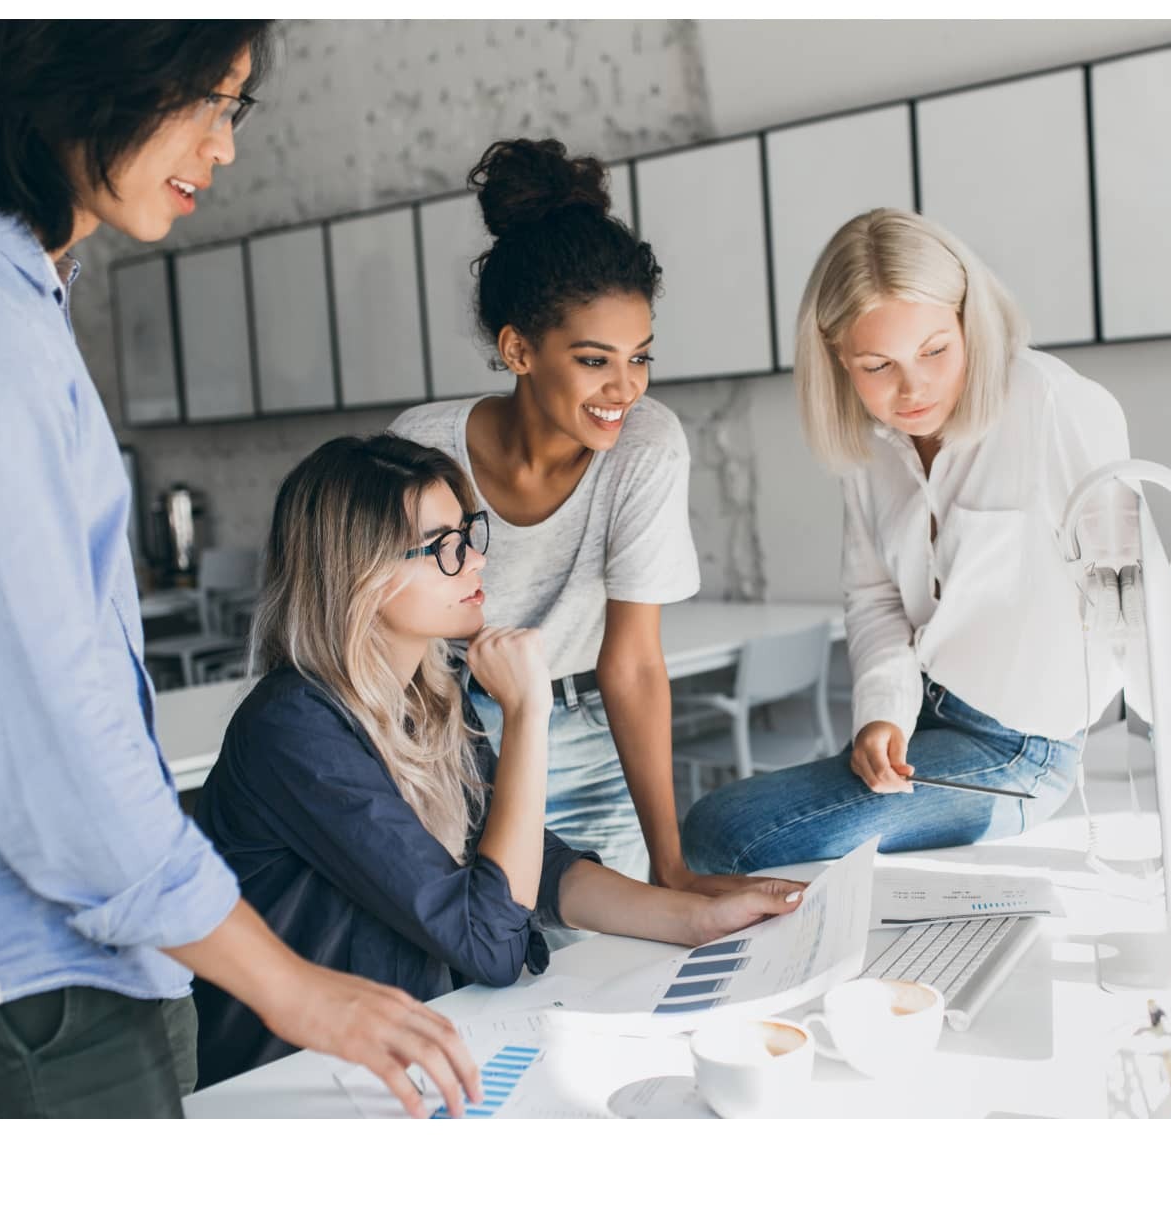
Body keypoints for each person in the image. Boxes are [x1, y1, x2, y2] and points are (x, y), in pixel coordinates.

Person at [0, 21, 478, 1119]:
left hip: (91, 968)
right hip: (35, 993)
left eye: (236, 108)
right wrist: (293, 988)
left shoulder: (14, 296)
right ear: (83, 73)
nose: (224, 145)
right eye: (205, 100)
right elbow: (54, 739)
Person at [190, 433, 803, 1086]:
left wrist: (697, 919)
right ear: (358, 574)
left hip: (417, 1050)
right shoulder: (293, 729)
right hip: (296, 1085)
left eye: (468, 535)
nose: (476, 559)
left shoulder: (426, 695)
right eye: (443, 547)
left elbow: (534, 866)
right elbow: (489, 940)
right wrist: (529, 713)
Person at [391, 137, 798, 903]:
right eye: (593, 360)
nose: (625, 387)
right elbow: (387, 630)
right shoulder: (422, 447)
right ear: (519, 350)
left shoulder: (646, 447)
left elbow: (634, 663)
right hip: (448, 741)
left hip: (585, 739)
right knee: (475, 953)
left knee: (599, 958)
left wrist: (671, 865)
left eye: (639, 356)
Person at [681, 209, 1131, 872]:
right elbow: (876, 599)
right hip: (925, 717)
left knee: (723, 832)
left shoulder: (1052, 403)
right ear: (838, 356)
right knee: (719, 830)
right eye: (877, 365)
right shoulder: (869, 445)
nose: (912, 388)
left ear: (969, 321)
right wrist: (881, 715)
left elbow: (1140, 600)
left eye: (934, 351)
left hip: (1021, 752)